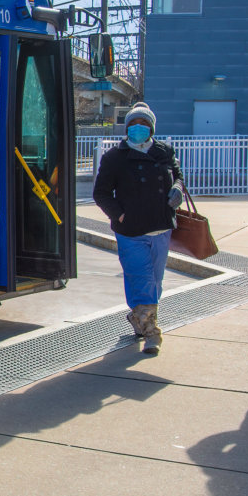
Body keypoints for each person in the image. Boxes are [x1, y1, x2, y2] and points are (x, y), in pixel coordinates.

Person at [93, 102, 184, 355]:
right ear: (127, 128)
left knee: (155, 282)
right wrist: (120, 216)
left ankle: (139, 319)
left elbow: (177, 175)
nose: (138, 128)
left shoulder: (164, 151)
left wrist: (177, 188)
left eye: (144, 124)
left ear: (152, 128)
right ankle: (152, 334)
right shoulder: (114, 157)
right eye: (133, 124)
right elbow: (101, 193)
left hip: (161, 227)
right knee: (143, 281)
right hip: (131, 231)